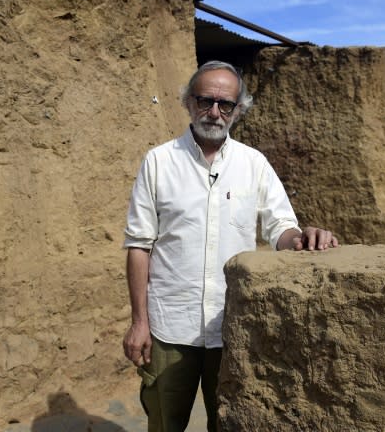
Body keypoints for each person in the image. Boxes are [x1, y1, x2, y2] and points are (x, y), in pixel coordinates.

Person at [122, 60, 338, 432]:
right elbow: (139, 245)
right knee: (163, 421)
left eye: (227, 105)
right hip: (169, 326)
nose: (215, 112)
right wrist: (139, 322)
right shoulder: (158, 162)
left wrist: (303, 239)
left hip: (231, 326)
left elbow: (280, 229)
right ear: (189, 102)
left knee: (227, 422)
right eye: (206, 101)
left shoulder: (254, 164)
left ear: (239, 110)